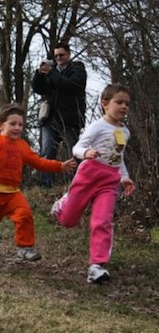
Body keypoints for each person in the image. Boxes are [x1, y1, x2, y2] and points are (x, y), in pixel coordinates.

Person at [0, 103, 76, 263]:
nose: (17, 127)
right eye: (13, 124)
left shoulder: (22, 146)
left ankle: (25, 248)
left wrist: (60, 166)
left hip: (13, 192)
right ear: (0, 125)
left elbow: (38, 162)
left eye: (20, 124)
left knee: (24, 214)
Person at [50, 84, 135, 283]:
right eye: (119, 102)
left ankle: (97, 266)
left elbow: (118, 156)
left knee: (102, 220)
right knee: (68, 221)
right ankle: (63, 203)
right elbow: (77, 147)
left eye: (127, 104)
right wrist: (86, 153)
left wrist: (124, 177)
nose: (124, 107)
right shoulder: (98, 126)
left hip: (110, 180)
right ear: (105, 104)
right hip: (89, 173)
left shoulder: (125, 131)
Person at [31, 42, 87, 188]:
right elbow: (38, 89)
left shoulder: (78, 68)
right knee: (47, 151)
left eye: (61, 55)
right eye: (56, 56)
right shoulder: (52, 70)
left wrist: (51, 73)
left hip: (71, 118)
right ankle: (45, 183)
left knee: (74, 152)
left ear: (68, 54)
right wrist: (39, 73)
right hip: (50, 118)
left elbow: (72, 86)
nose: (59, 58)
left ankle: (77, 183)